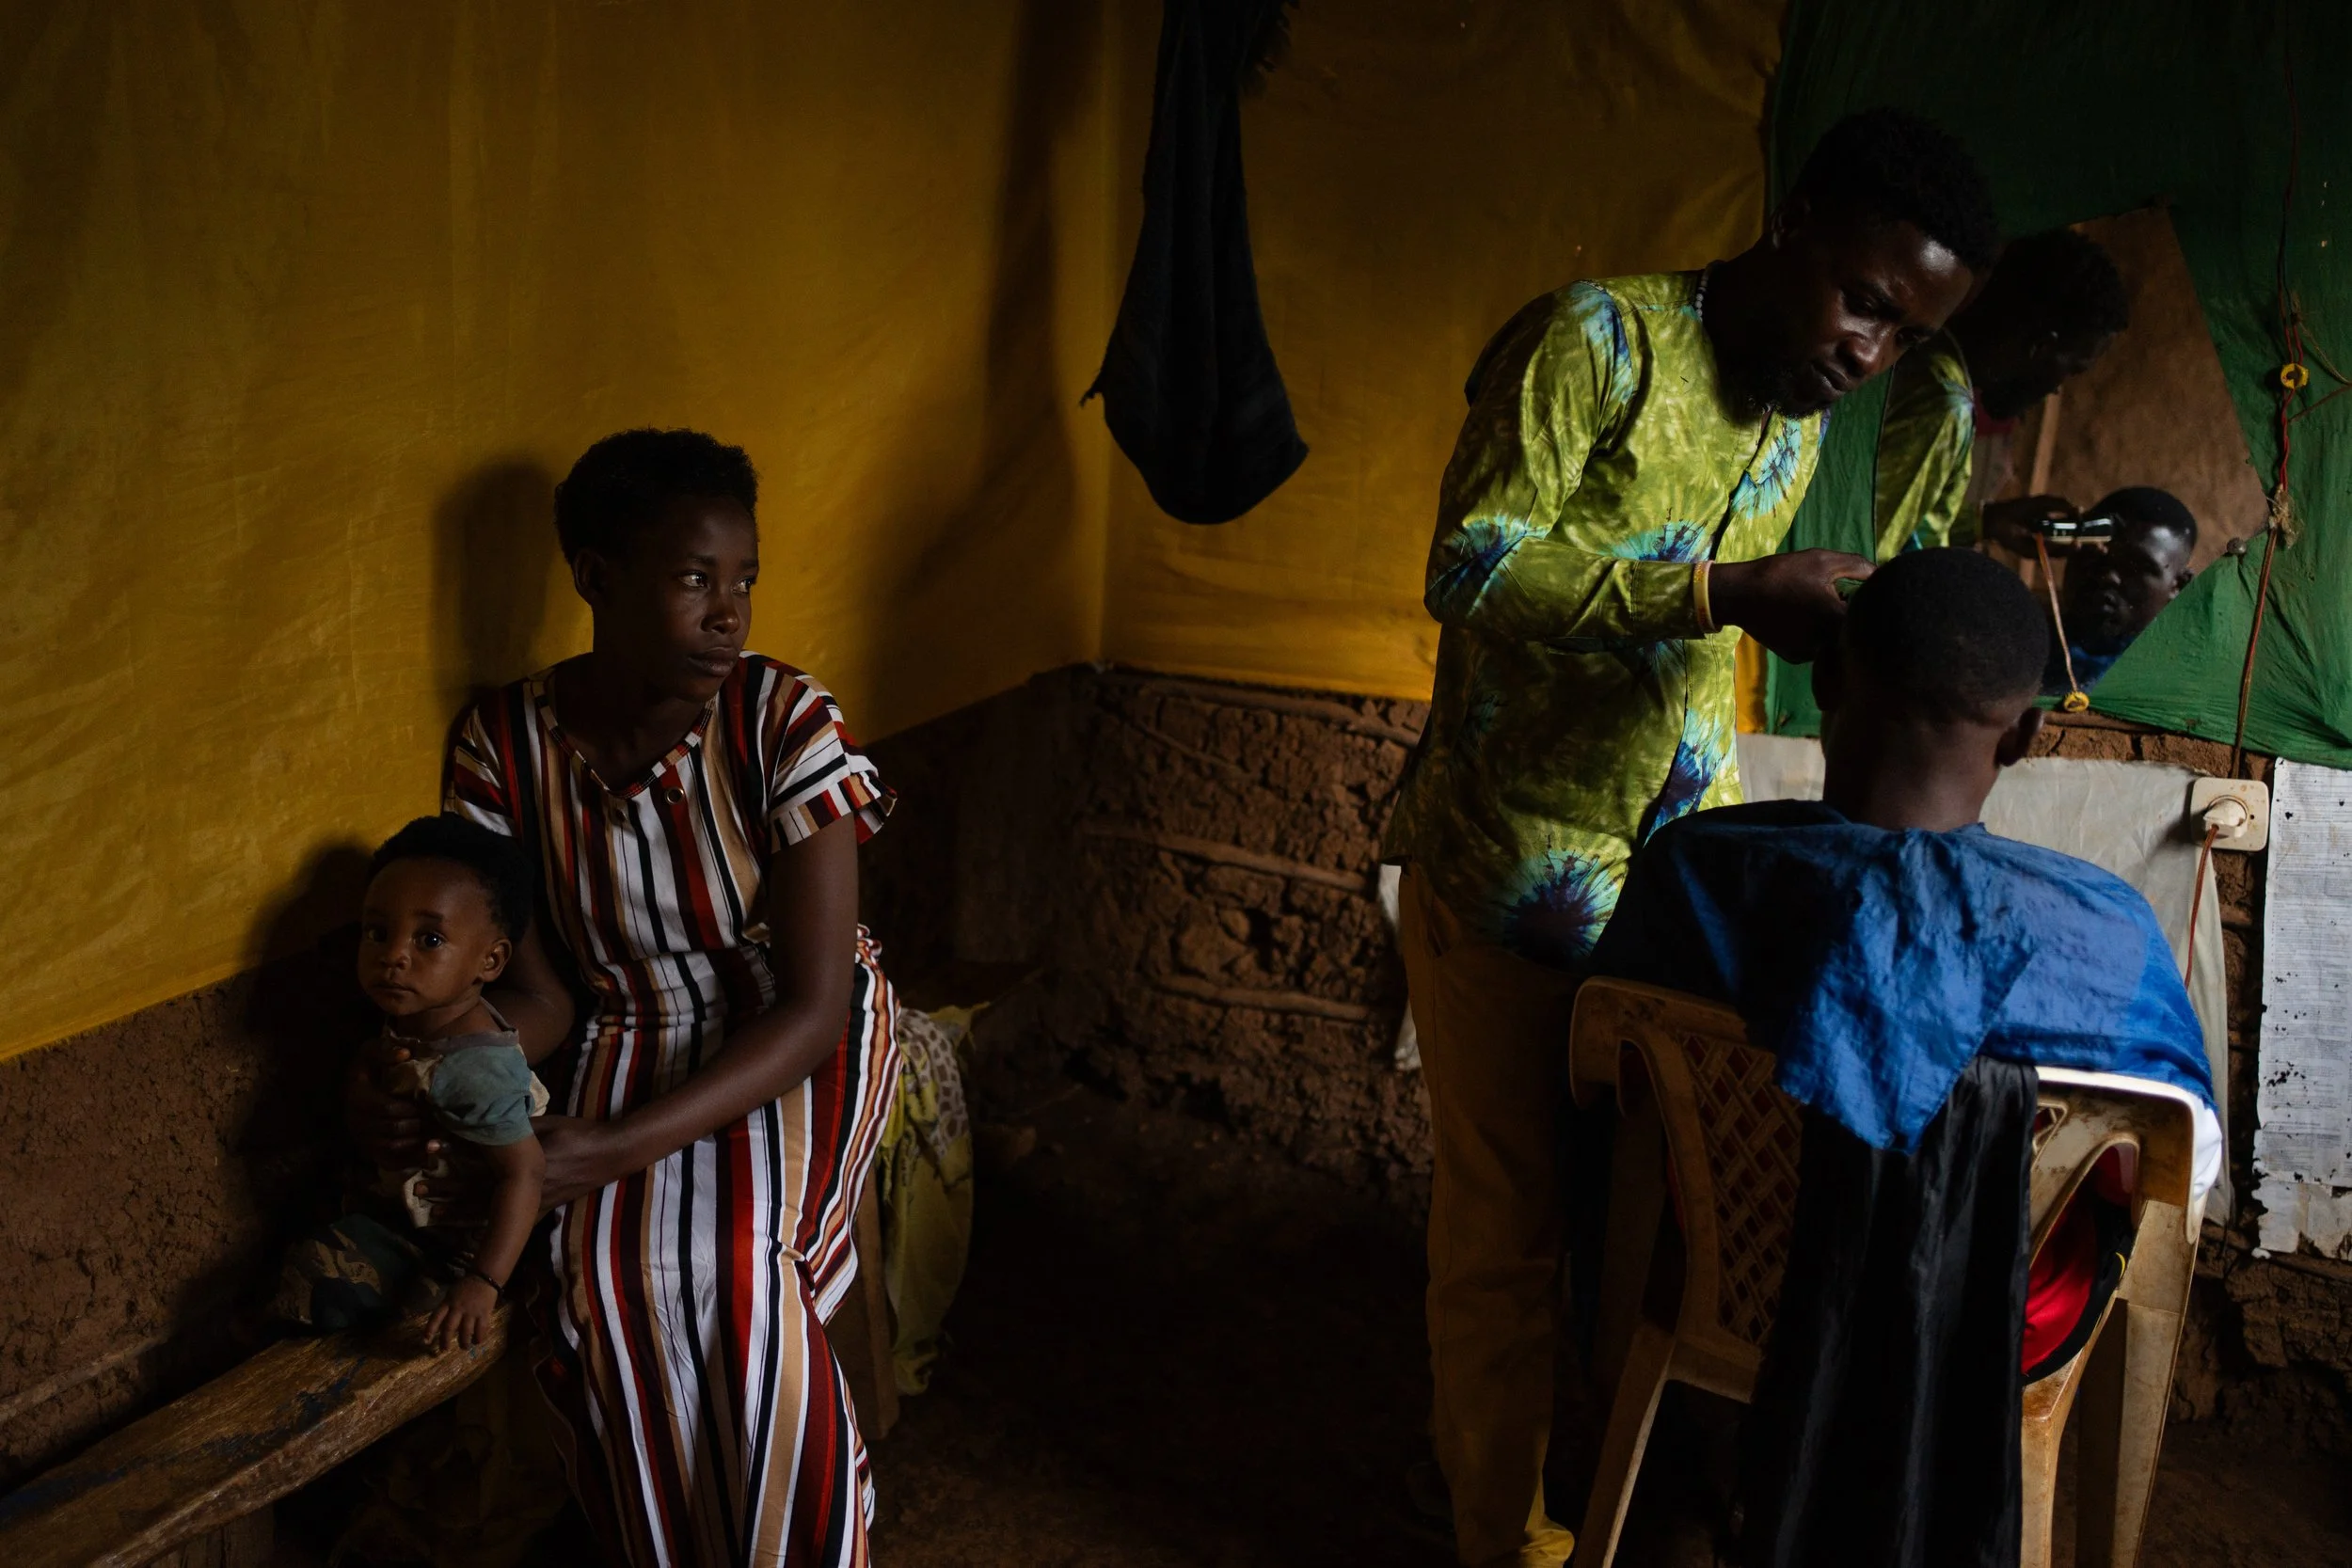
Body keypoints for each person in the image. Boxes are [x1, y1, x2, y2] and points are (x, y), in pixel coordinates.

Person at [1380, 107, 2000, 1568]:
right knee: (1506, 1238)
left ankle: (1627, 1495)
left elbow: (1935, 387)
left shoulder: (1805, 399)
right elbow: (1465, 563)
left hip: (1675, 879)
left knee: (1661, 1223)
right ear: (1790, 222)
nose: (1867, 348)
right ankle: (1503, 1539)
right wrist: (1715, 593)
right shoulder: (1596, 340)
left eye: (1900, 334)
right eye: (1862, 299)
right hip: (1510, 874)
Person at [1590, 547, 2217, 1568]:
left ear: (1826, 679)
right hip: (1991, 1318)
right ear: (2023, 734)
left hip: (1748, 1264)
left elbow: (1608, 1082)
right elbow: (2164, 1162)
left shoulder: (1698, 871)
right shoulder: (2107, 931)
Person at [356, 428, 900, 1568]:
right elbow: (544, 996)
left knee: (736, 1265)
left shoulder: (779, 718)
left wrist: (608, 1146)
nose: (729, 612)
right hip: (620, 1024)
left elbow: (811, 1005)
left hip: (795, 1024)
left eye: (743, 578)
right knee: (603, 1278)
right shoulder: (502, 742)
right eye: (694, 577)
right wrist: (465, 1075)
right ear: (596, 576)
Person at [275, 816, 549, 1355]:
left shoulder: (473, 1068)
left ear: (490, 961)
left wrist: (482, 1283)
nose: (393, 955)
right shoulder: (418, 1015)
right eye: (377, 932)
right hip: (399, 1214)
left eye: (430, 939)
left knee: (316, 1275)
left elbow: (526, 1173)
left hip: (453, 1248)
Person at [1869, 227, 2130, 561]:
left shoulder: (1916, 350)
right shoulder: (1944, 407)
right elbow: (1867, 552)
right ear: (2041, 347)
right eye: (2073, 368)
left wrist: (1985, 521)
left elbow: (1901, 522)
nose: (2057, 387)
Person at [2041, 485, 2199, 695]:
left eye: (2135, 567)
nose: (2107, 576)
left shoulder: (2181, 689)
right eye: (2091, 556)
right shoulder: (2017, 648)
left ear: (2178, 586)